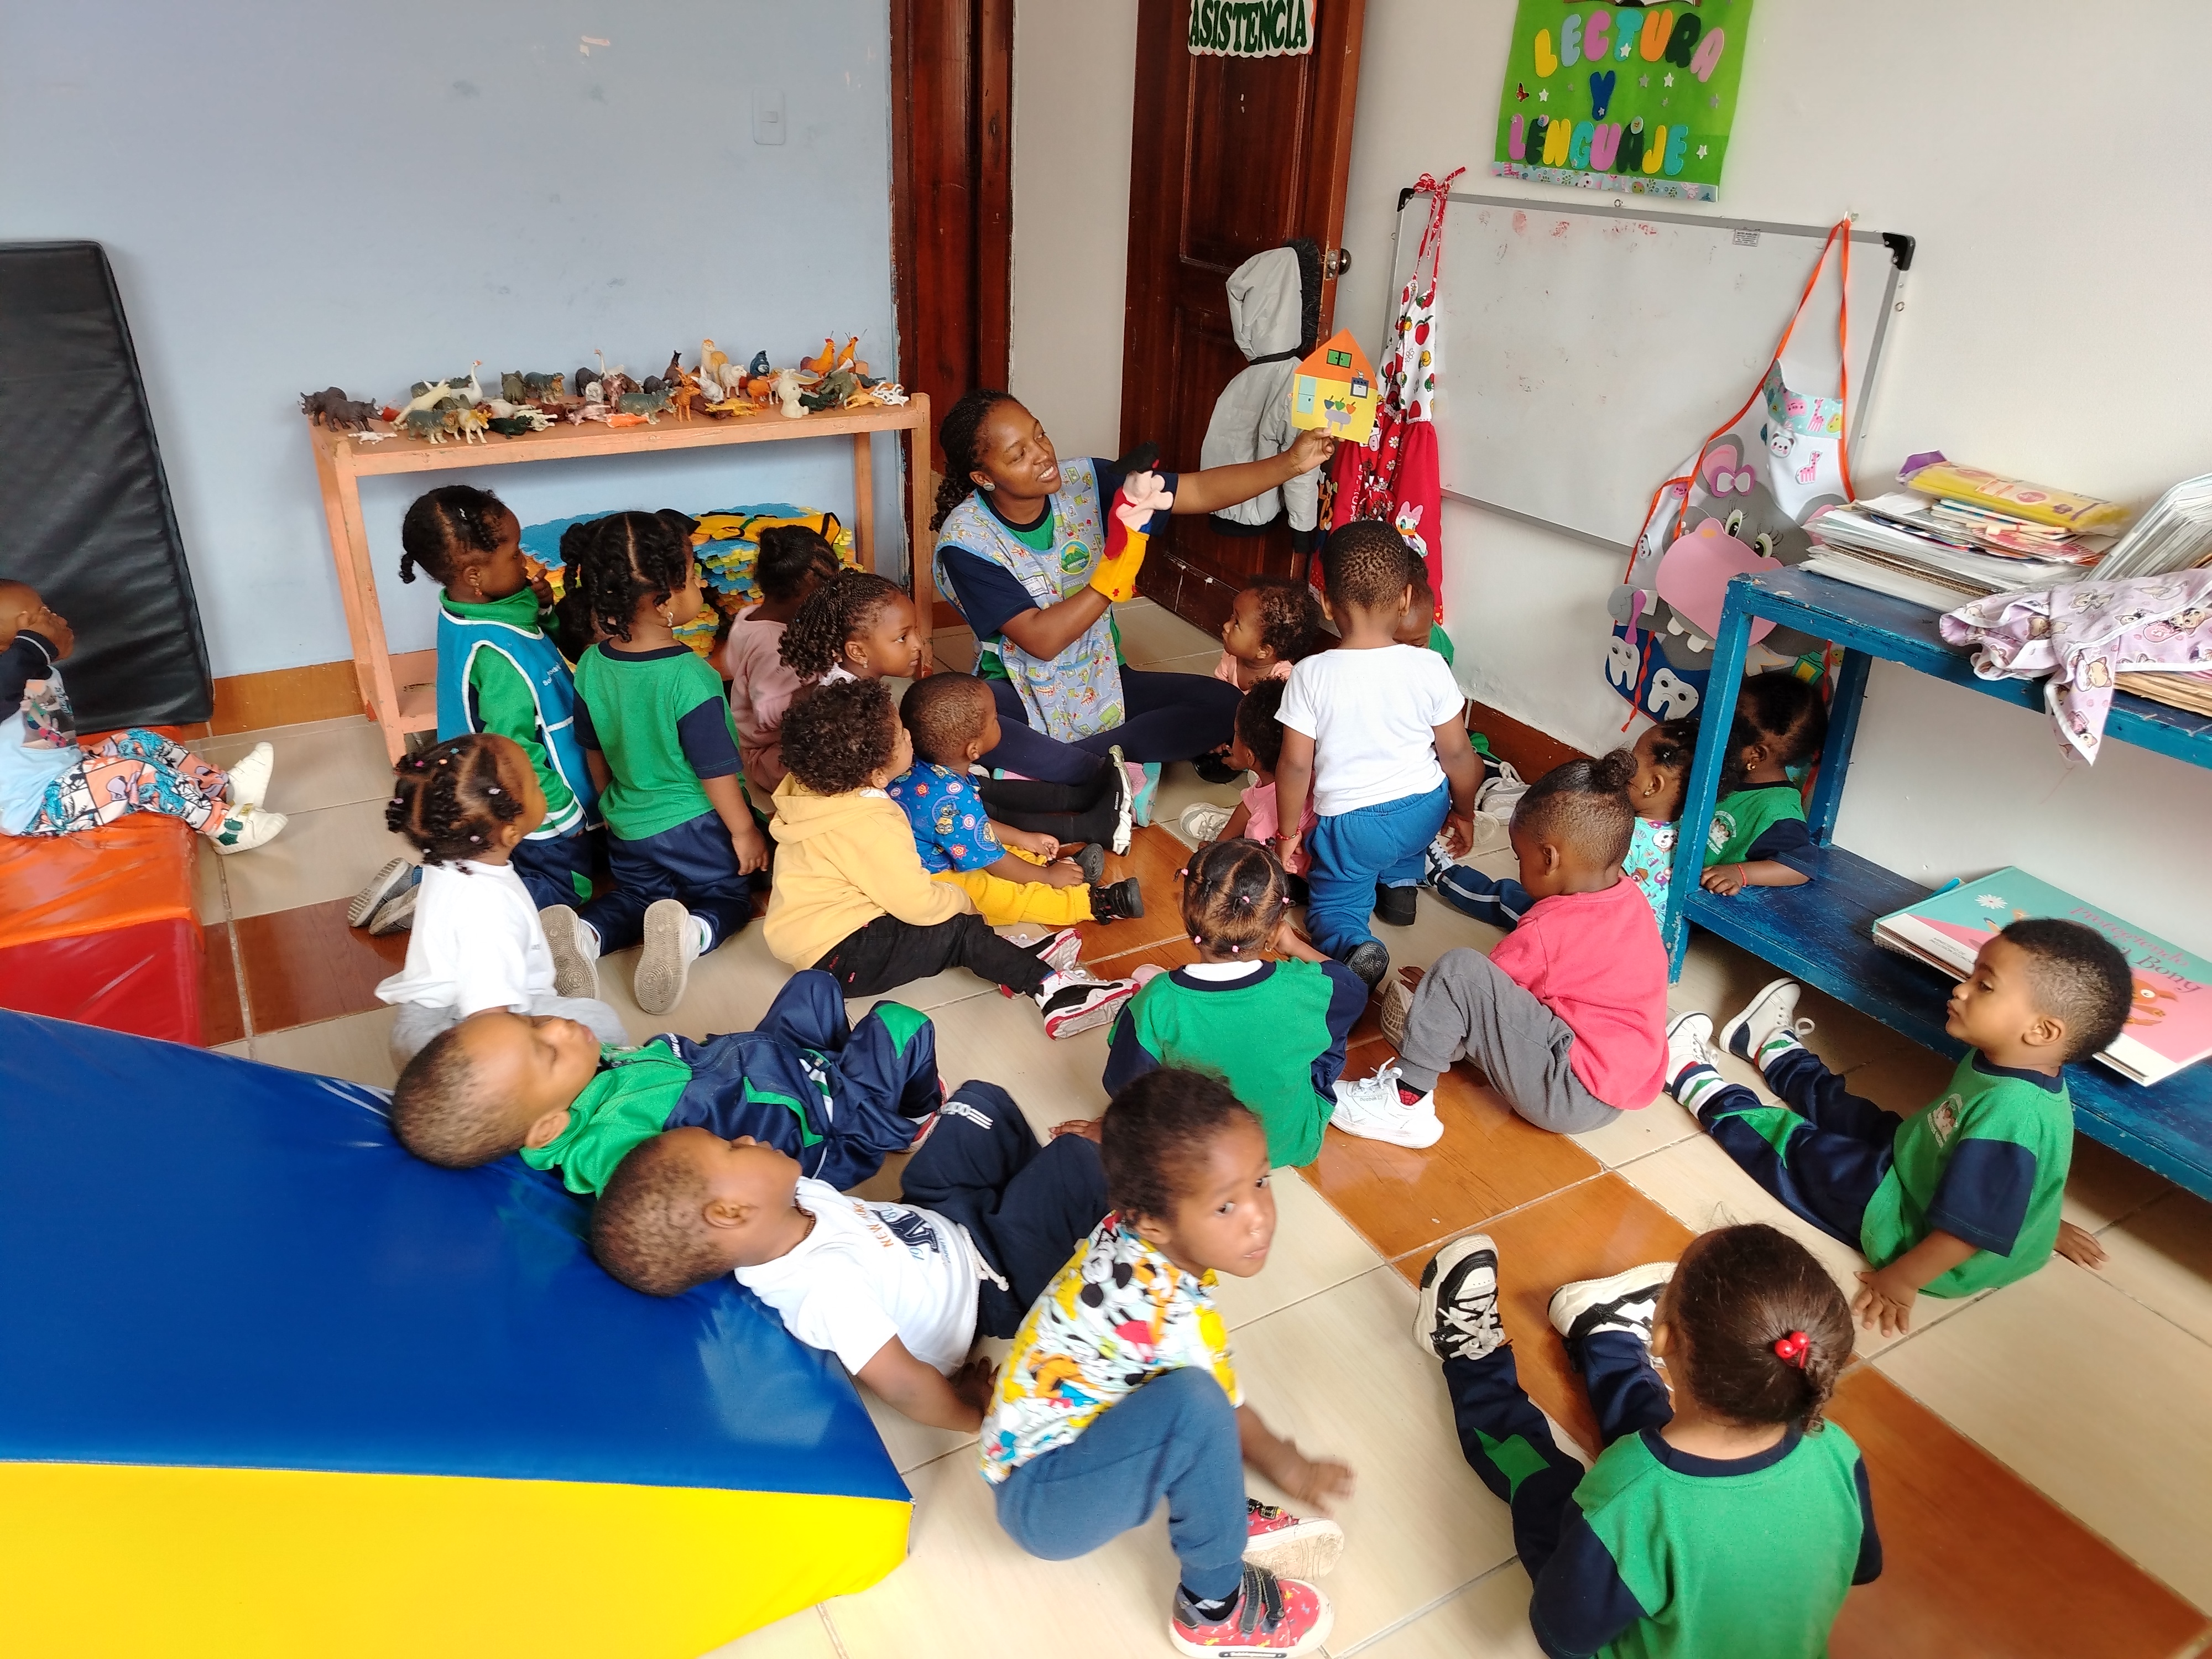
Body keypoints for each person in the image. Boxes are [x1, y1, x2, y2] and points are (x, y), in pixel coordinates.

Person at [985, 1070, 1353, 1658]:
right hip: (1045, 1504)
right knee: (1198, 1407)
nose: (1258, 1216)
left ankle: (1216, 1508)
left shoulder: (1131, 1235)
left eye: (1261, 1181)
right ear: (1152, 1221)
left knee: (1189, 1401)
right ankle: (1213, 1608)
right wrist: (1292, 1467)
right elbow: (1227, 1418)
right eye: (1225, 1205)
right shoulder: (1165, 1311)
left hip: (1046, 1460)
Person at [1410, 1224, 1880, 1658]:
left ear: (1665, 1336)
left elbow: (1563, 1636)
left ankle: (1473, 1360)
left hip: (1620, 1581)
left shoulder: (1631, 1496)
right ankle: (1606, 1335)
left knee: (1544, 1487)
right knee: (1683, 1448)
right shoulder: (1835, 1449)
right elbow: (1860, 1564)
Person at [1665, 917, 2133, 1334]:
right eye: (1973, 975)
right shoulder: (2015, 1061)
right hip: (1921, 1162)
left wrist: (1902, 1280)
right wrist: (2038, 1222)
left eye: (1985, 986)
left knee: (1804, 1153)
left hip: (1912, 1229)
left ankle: (1690, 1078)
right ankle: (1769, 1044)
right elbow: (2016, 1182)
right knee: (1847, 1111)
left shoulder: (2014, 1116)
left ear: (2042, 1031)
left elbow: (1969, 1230)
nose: (1961, 990)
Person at [589, 1078, 1111, 1433]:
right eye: (731, 1148)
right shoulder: (822, 1291)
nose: (745, 1136)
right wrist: (971, 1412)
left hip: (938, 1218)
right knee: (1076, 1161)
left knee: (976, 1105)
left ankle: (1041, 1189)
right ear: (730, 1213)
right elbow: (904, 1385)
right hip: (991, 1282)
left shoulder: (789, 1200)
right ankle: (1088, 1187)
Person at [928, 389, 1335, 791]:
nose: (1042, 454)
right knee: (959, 722)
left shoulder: (1086, 481)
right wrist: (1117, 571)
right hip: (1018, 690)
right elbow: (1041, 639)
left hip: (1102, 679)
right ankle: (1095, 765)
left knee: (1226, 705)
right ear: (984, 478)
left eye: (1040, 435)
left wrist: (1291, 463)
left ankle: (1070, 766)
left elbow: (1197, 491)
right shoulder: (968, 542)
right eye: (1018, 455)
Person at [765, 677, 1138, 1036]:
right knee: (958, 930)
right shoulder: (871, 825)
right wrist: (962, 901)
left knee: (959, 922)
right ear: (877, 775)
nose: (910, 737)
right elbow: (918, 904)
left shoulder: (820, 789)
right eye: (901, 737)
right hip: (841, 955)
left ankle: (1005, 958)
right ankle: (1055, 993)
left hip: (818, 935)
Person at [1334, 754, 1668, 1147]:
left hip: (1565, 1092)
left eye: (1519, 857)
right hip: (1615, 1091)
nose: (1518, 868)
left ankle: (1405, 1100)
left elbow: (1476, 992)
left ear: (1549, 859)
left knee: (1457, 971)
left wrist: (1435, 999)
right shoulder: (1633, 903)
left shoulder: (1548, 928)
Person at [387, 967, 940, 1196]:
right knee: (903, 1024)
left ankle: (852, 1068)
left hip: (772, 1066)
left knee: (814, 985)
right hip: (824, 1127)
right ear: (549, 1127)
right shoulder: (611, 1151)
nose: (557, 1025)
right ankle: (907, 1123)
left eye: (532, 1022)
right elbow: (663, 1206)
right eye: (546, 1050)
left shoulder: (571, 1087)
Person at [354, 487, 601, 937]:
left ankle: (426, 878)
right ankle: (444, 906)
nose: (525, 562)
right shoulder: (499, 659)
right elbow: (514, 750)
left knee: (482, 854)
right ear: (475, 575)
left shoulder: (464, 609)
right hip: (525, 800)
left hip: (475, 789)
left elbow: (524, 628)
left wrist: (542, 605)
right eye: (514, 554)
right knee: (568, 885)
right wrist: (564, 813)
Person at [565, 511, 770, 1016]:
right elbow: (714, 772)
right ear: (664, 602)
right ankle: (690, 933)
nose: (701, 585)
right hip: (694, 826)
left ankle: (586, 935)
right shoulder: (690, 678)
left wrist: (612, 808)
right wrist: (744, 832)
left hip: (629, 825)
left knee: (637, 897)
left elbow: (594, 749)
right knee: (728, 896)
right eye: (694, 577)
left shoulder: (591, 663)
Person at [1273, 521, 1480, 987]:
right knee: (1403, 840)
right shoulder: (1431, 665)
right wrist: (1463, 811)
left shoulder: (1310, 675)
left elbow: (1295, 765)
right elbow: (1459, 756)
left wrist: (1288, 832)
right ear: (1406, 598)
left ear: (1327, 604)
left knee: (1335, 902)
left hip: (1354, 829)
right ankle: (1401, 887)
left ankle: (1353, 943)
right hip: (1425, 810)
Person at [1103, 839, 1366, 1168]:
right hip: (1289, 1144)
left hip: (1200, 1160)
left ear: (1184, 909)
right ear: (1276, 927)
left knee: (1147, 1033)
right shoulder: (1306, 986)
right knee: (1325, 1017)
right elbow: (1353, 989)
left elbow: (1126, 1087)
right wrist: (1294, 946)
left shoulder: (1156, 1001)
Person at [373, 733, 629, 1069]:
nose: (542, 786)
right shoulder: (490, 911)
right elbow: (489, 1022)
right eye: (536, 784)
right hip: (457, 1036)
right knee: (601, 1022)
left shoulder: (446, 857)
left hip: (420, 1023)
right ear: (511, 833)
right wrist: (550, 1036)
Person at [0, 579, 283, 851]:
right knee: (135, 773)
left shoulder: (39, 671)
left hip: (64, 771)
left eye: (47, 611)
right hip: (35, 806)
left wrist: (44, 649)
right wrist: (35, 645)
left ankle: (222, 790)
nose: (51, 620)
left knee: (141, 741)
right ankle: (223, 829)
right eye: (39, 617)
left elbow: (43, 732)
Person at [888, 672, 1145, 928]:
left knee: (1005, 851)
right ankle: (1093, 903)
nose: (999, 721)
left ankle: (1060, 872)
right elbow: (994, 860)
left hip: (920, 857)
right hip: (927, 881)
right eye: (995, 719)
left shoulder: (920, 771)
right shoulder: (953, 798)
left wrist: (1023, 838)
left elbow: (974, 826)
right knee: (997, 895)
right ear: (973, 750)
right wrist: (1046, 876)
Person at [1428, 717, 1696, 930]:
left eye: (1634, 759)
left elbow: (1586, 903)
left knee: (1510, 899)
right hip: (1644, 943)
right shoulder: (1691, 837)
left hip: (1586, 937)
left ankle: (1445, 875)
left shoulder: (1622, 833)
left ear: (1653, 786)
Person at [717, 523, 842, 795]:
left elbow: (733, 665)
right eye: (824, 593)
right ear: (801, 597)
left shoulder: (749, 615)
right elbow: (766, 714)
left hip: (759, 739)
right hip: (768, 754)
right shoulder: (775, 646)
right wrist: (819, 687)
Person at [1700, 671, 1826, 896]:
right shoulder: (1725, 770)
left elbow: (1800, 867)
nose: (1712, 728)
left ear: (1756, 754)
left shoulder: (1777, 809)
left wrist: (1740, 873)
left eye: (1727, 726)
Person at [777, 566, 927, 687]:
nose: (918, 645)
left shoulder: (846, 681)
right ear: (858, 652)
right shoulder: (853, 707)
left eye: (915, 630)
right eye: (902, 638)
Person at [1214, 575, 1321, 692]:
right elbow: (1217, 691)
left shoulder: (1282, 681)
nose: (1226, 626)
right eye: (1232, 616)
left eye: (1237, 623)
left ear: (1263, 651)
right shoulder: (1231, 656)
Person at [1392, 562, 1455, 666]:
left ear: (1431, 624)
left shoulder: (1439, 653)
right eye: (1396, 645)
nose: (1406, 656)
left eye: (1417, 645)